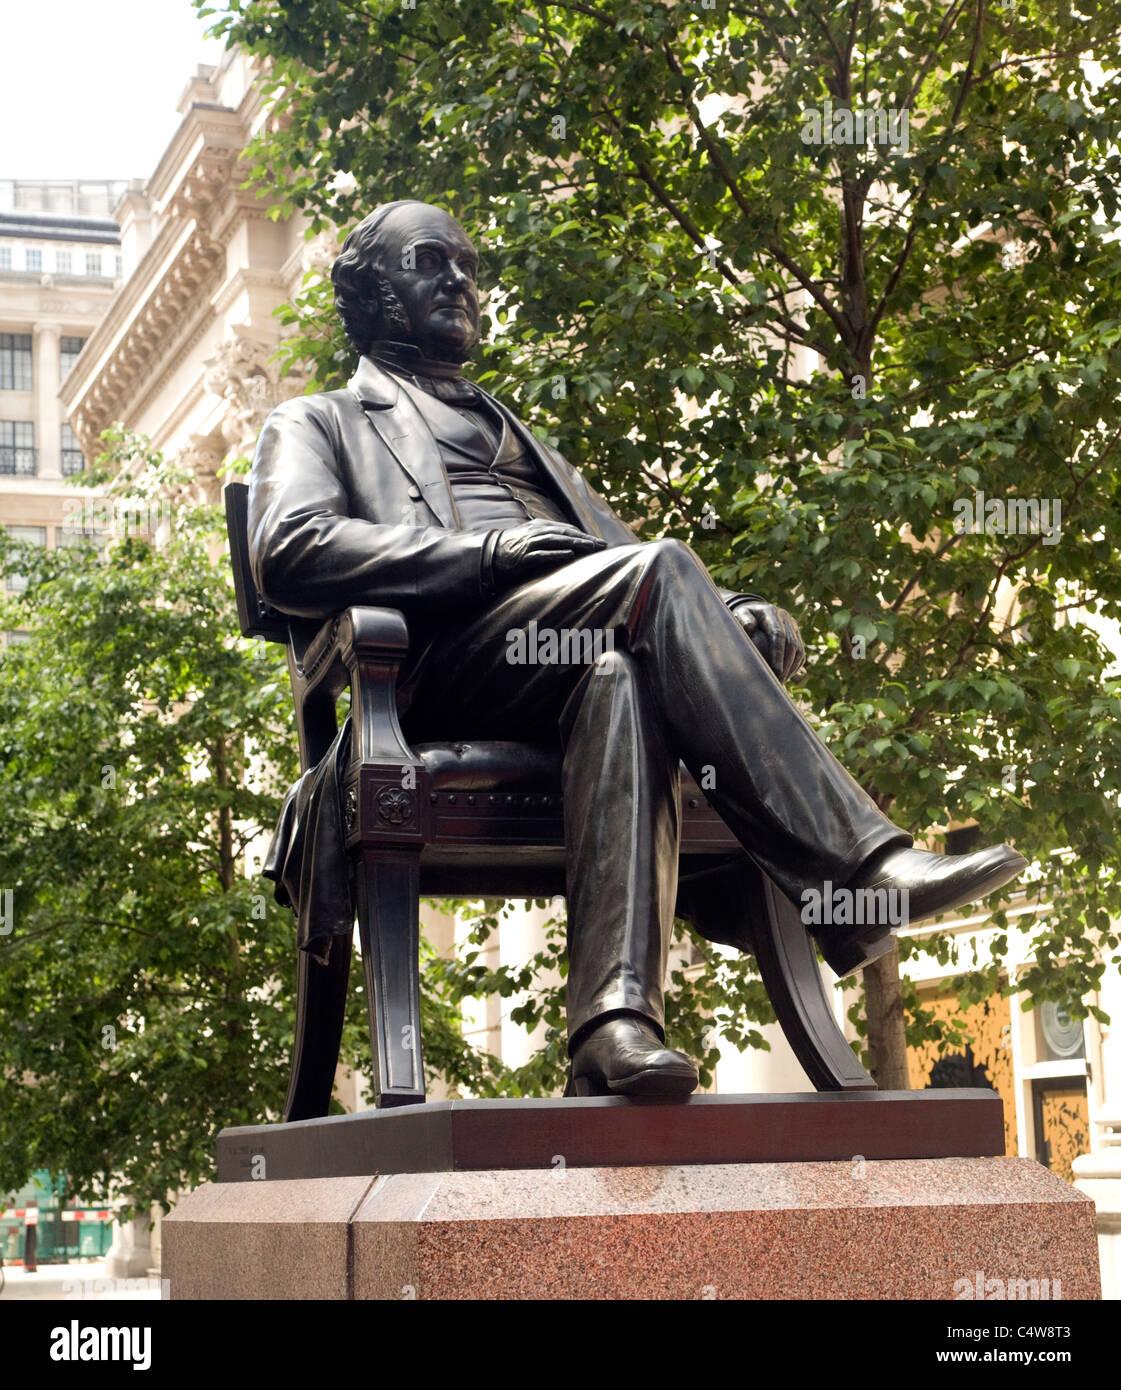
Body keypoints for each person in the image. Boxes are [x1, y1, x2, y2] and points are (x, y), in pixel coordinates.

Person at [249, 200, 1025, 1097]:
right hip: (442, 671)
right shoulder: (321, 421)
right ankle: (856, 870)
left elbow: (622, 554)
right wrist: (486, 553)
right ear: (371, 290)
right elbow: (288, 548)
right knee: (653, 579)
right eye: (431, 262)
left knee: (619, 673)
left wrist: (732, 611)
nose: (461, 280)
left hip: (576, 658)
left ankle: (613, 1024)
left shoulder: (520, 435)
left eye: (469, 265)